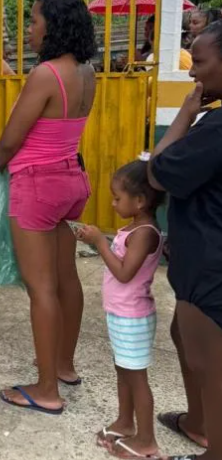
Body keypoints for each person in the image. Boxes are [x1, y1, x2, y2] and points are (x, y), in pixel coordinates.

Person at [0, 0, 97, 414]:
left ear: (53, 25)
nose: (29, 29)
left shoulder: (45, 75)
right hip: (72, 180)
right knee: (66, 278)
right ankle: (64, 366)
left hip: (37, 185)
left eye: (34, 20)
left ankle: (46, 389)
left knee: (41, 288)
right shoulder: (87, 72)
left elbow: (11, 140)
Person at [149, 20, 222, 460]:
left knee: (207, 362)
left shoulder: (215, 128)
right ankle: (198, 423)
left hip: (209, 259)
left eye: (200, 62)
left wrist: (184, 114)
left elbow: (158, 172)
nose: (193, 72)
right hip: (202, 251)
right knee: (182, 333)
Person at [77, 160, 165, 459]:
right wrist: (99, 241)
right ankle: (126, 421)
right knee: (123, 370)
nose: (113, 203)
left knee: (137, 378)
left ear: (139, 201)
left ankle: (147, 440)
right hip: (121, 314)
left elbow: (125, 273)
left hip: (133, 318)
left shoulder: (145, 233)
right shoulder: (134, 228)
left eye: (117, 198)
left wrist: (100, 243)